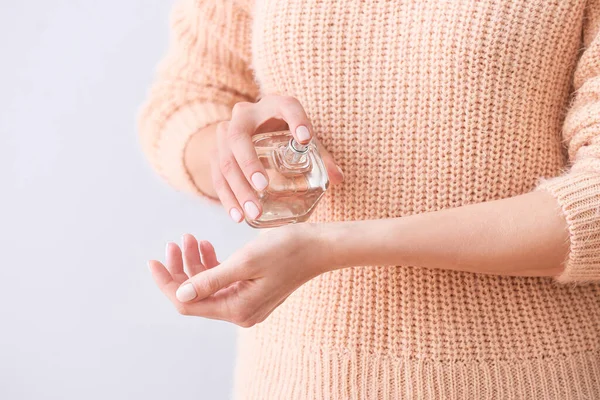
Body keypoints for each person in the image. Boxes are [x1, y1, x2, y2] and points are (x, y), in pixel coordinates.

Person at [138, 0, 600, 398]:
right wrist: (233, 156)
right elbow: (189, 96)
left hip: (527, 379)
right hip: (297, 378)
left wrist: (330, 248)